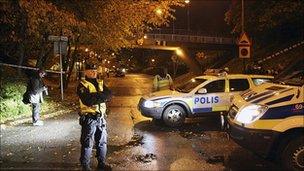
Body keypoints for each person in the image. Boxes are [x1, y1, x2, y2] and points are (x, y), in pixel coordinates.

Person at [77, 63, 112, 171]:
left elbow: (109, 94)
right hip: (89, 118)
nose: (94, 72)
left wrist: (97, 97)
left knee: (102, 142)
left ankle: (101, 163)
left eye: (95, 70)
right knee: (87, 143)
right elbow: (88, 100)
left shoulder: (100, 82)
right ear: (86, 72)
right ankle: (85, 166)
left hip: (101, 118)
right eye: (91, 70)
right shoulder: (82, 84)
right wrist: (102, 97)